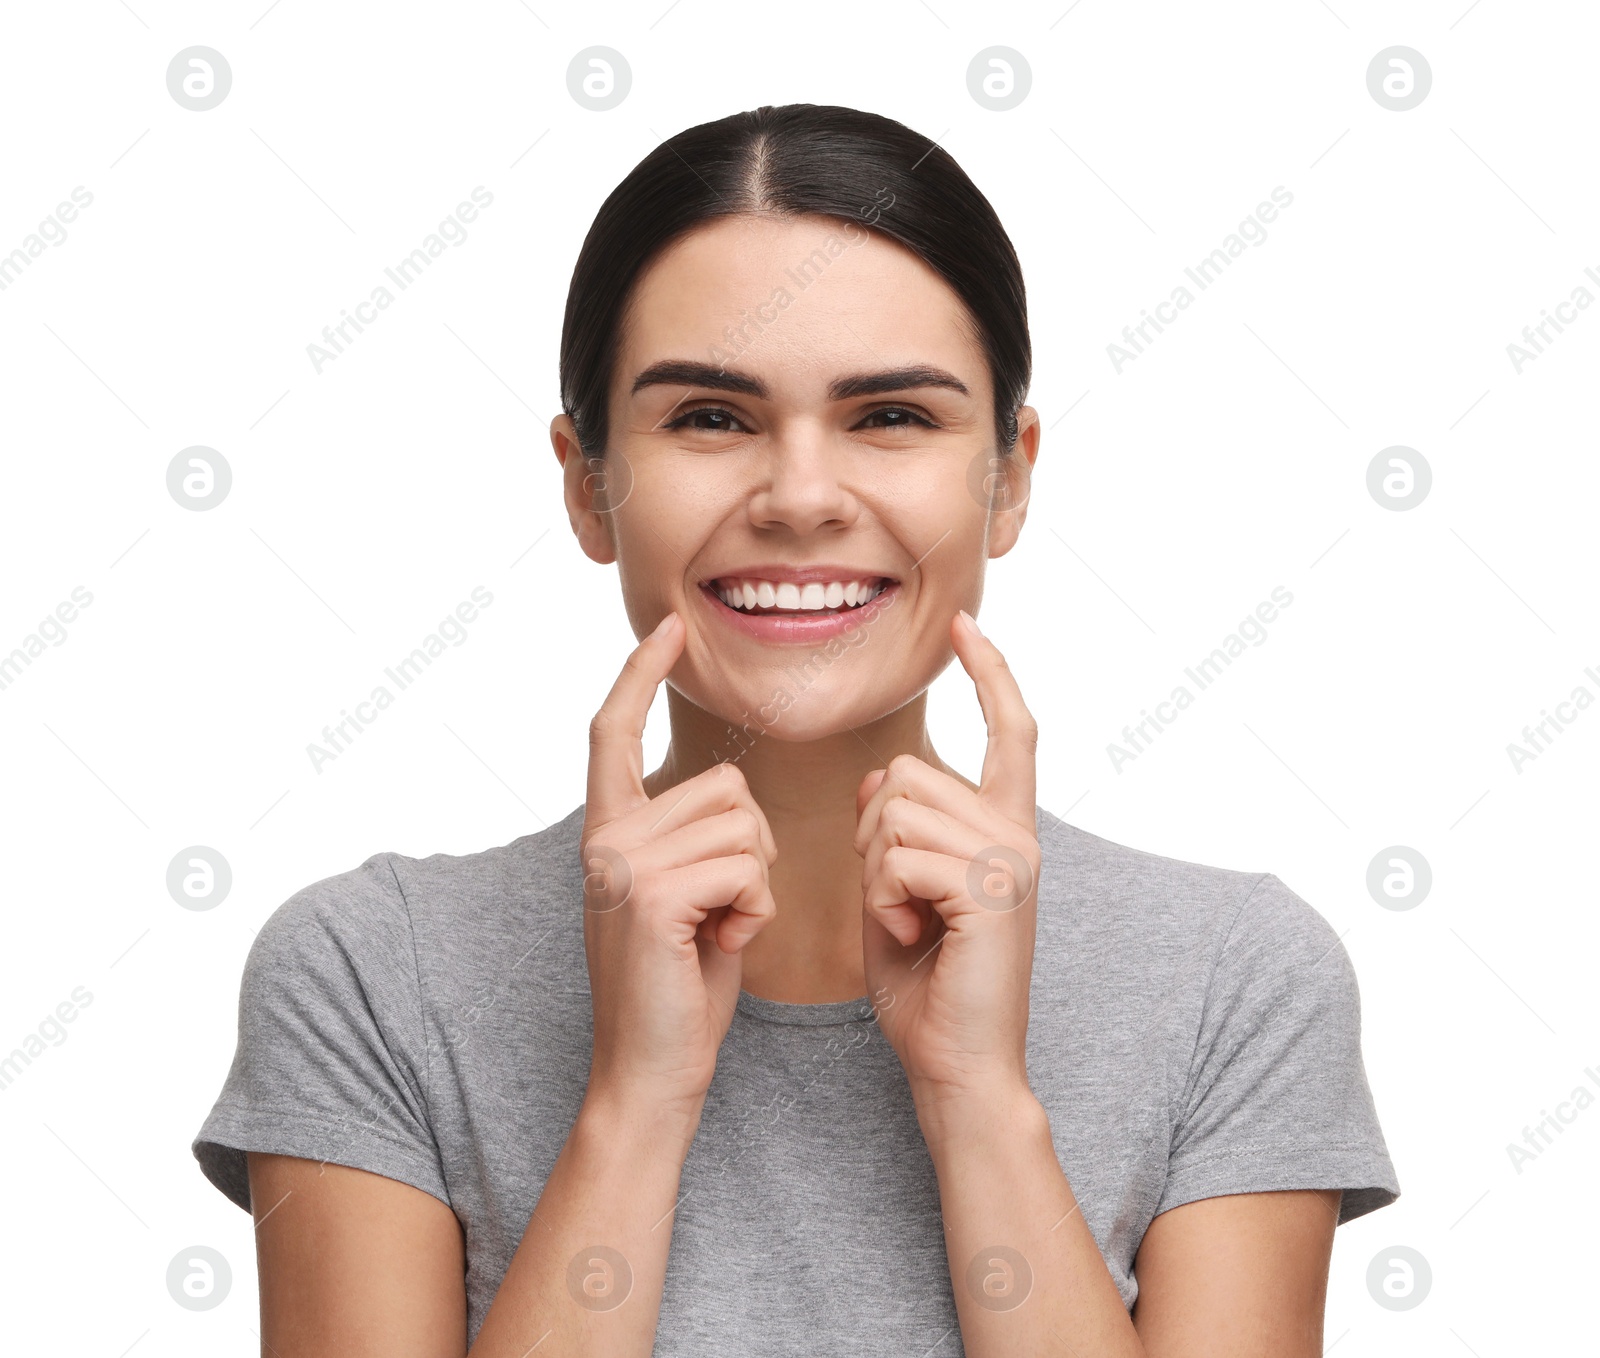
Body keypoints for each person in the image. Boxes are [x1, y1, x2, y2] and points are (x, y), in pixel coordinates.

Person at [192, 102, 1399, 1356]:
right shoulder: (369, 975)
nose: (803, 498)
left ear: (1011, 474)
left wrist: (979, 1100)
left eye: (891, 416)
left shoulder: (1236, 980)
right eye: (711, 417)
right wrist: (636, 1100)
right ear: (585, 481)